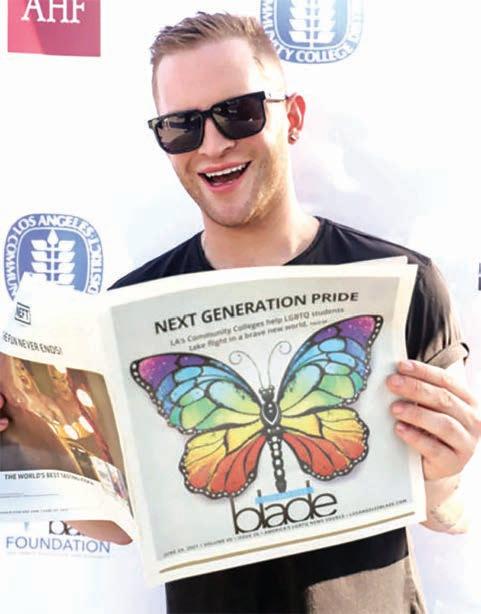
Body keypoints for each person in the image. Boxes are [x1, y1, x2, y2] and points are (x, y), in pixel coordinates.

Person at [1, 11, 480, 613]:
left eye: (239, 112)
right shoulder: (124, 314)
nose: (212, 144)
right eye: (181, 126)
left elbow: (449, 511)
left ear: (292, 117)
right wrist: (28, 443)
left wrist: (446, 465)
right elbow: (118, 524)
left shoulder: (404, 283)